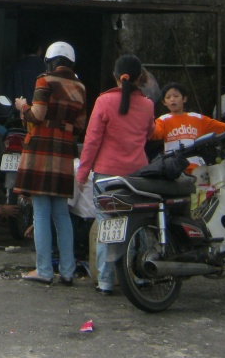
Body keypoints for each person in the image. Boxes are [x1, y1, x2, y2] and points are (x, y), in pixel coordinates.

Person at [76, 54, 156, 295]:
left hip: (106, 175)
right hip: (137, 175)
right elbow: (149, 133)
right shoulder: (148, 104)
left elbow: (91, 141)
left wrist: (81, 175)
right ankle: (137, 277)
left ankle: (106, 281)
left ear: (115, 76)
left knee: (106, 226)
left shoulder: (103, 102)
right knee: (135, 225)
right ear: (141, 77)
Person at [13, 41, 87, 285]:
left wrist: (22, 107)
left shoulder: (44, 81)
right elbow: (79, 127)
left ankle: (44, 270)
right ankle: (67, 271)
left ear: (50, 61)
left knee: (41, 212)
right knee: (61, 214)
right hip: (63, 153)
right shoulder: (80, 87)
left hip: (41, 150)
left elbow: (38, 115)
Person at [151, 82, 225, 171]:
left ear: (184, 98)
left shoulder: (197, 118)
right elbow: (155, 133)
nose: (172, 99)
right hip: (175, 168)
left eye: (176, 96)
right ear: (164, 102)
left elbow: (221, 127)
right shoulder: (162, 120)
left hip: (198, 168)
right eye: (168, 97)